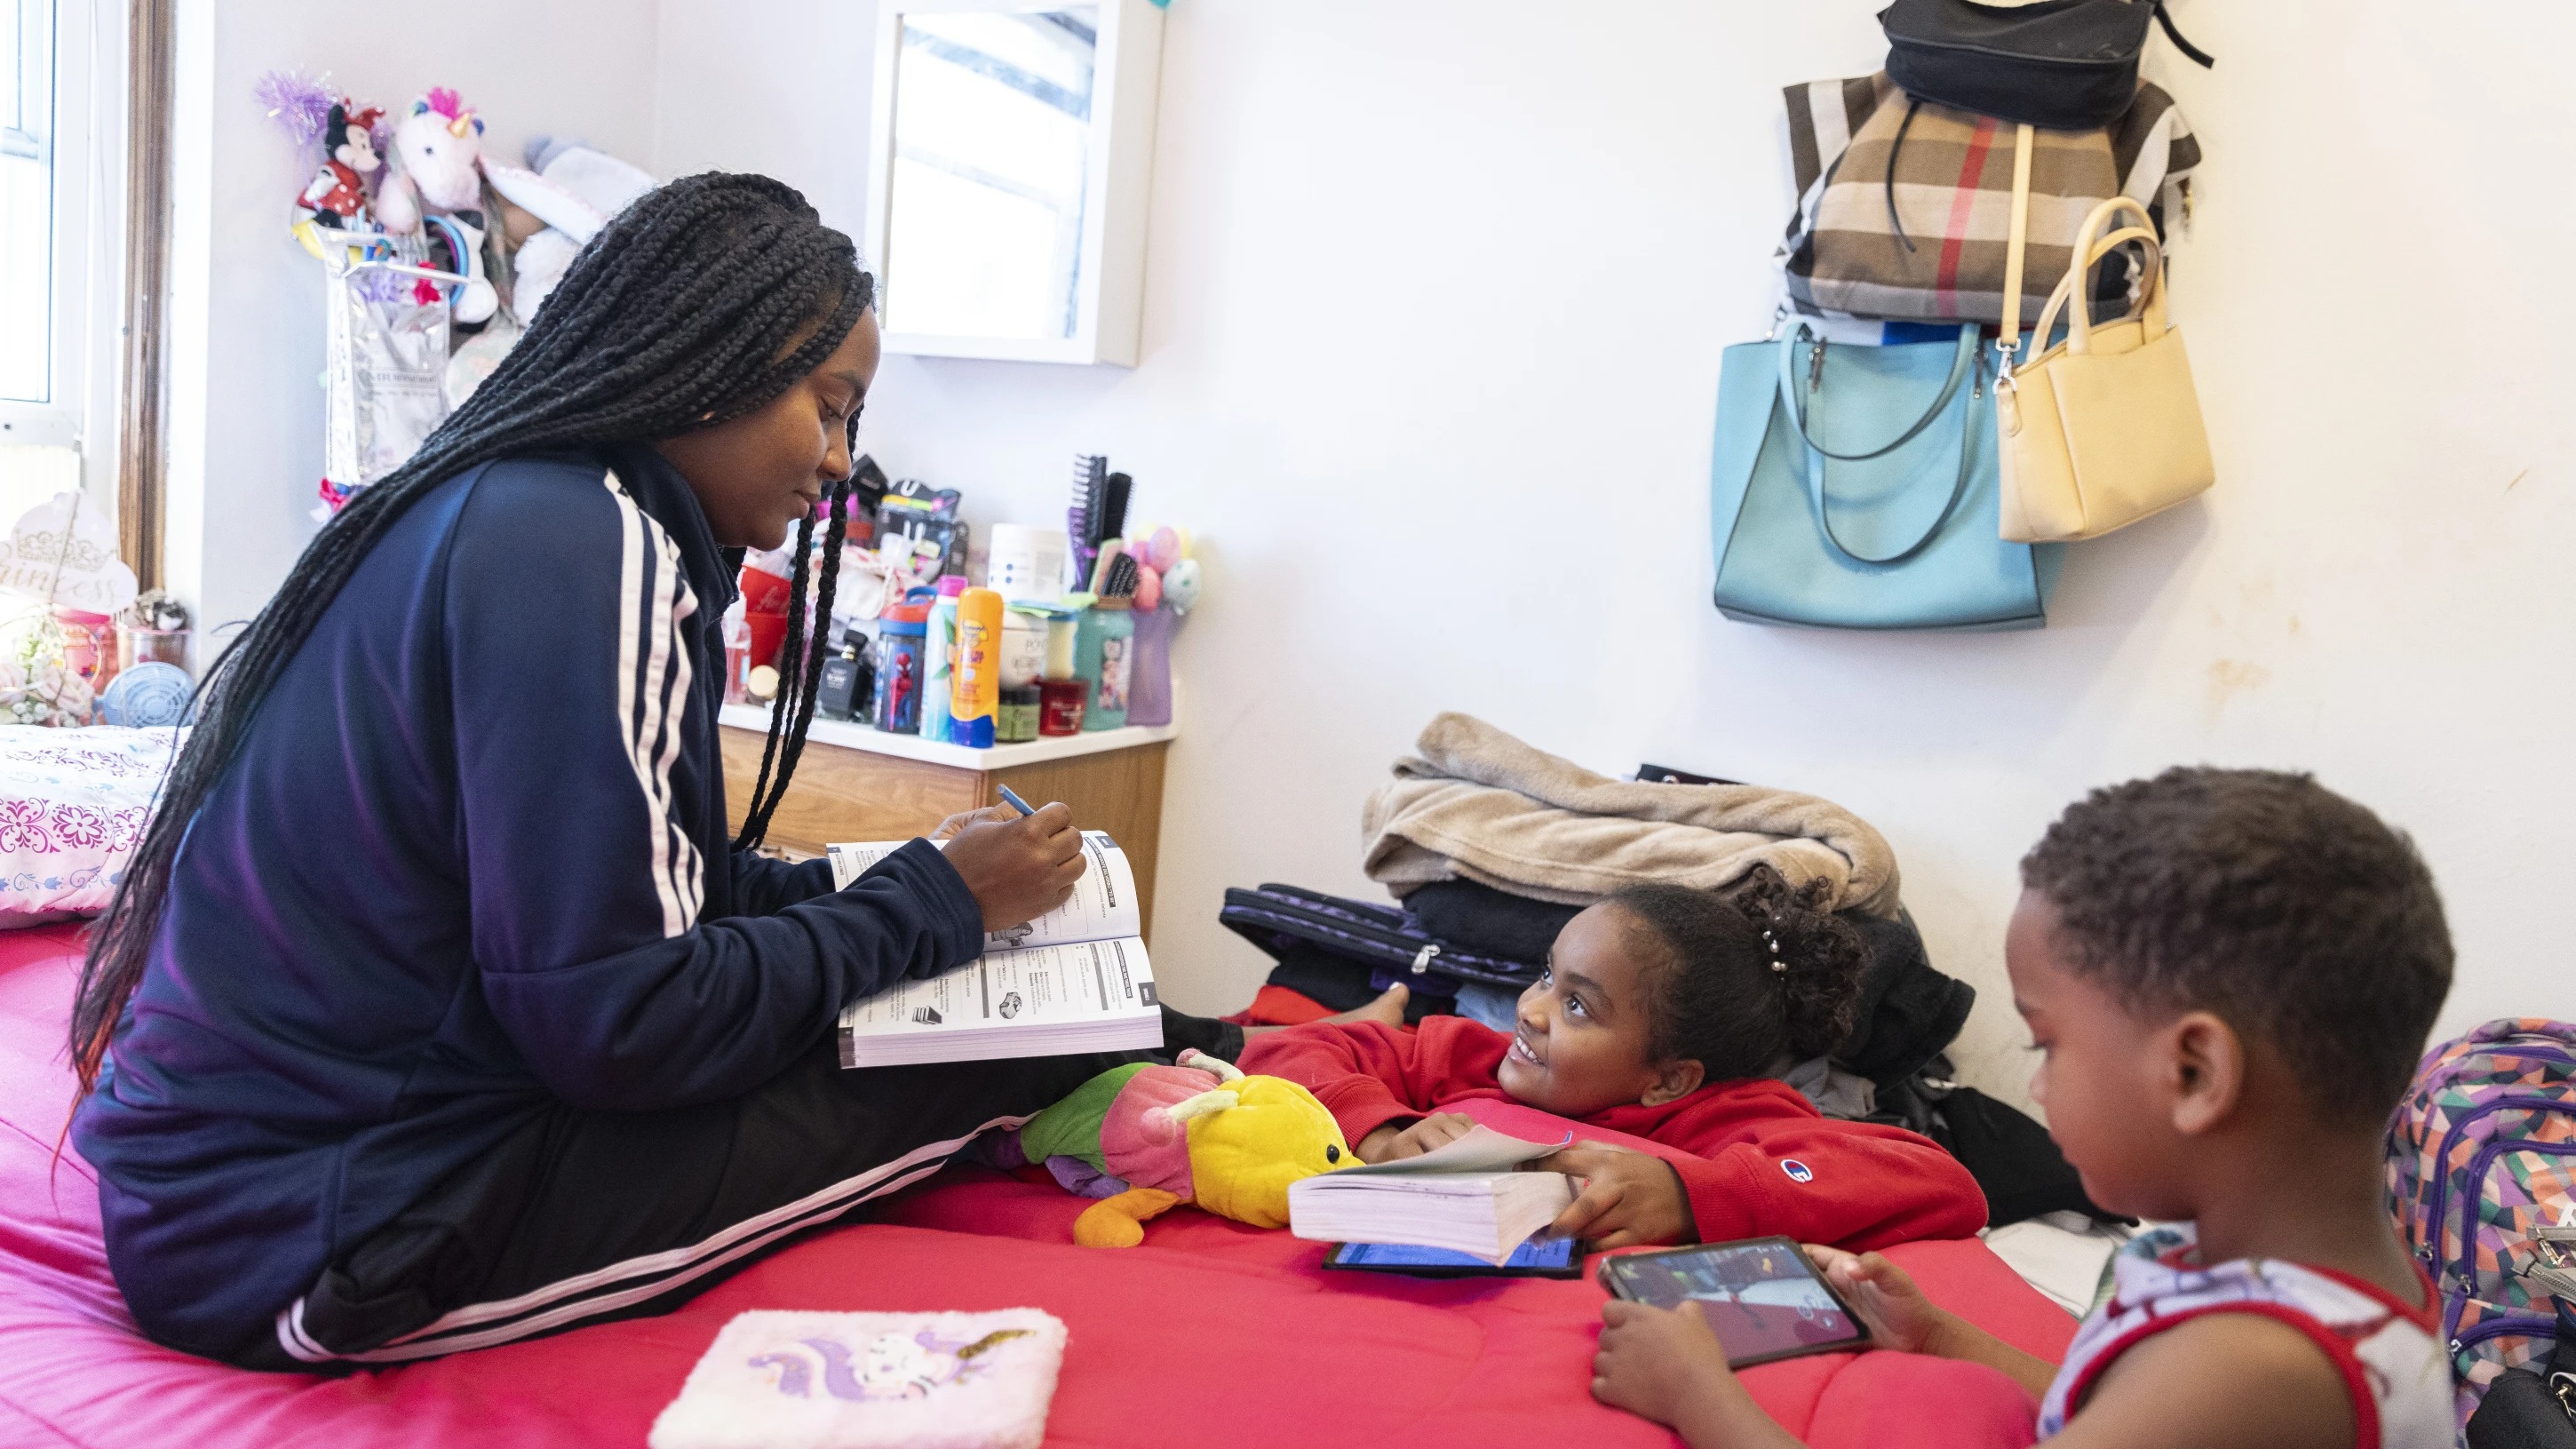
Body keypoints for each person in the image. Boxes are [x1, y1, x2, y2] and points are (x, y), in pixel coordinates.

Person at [66, 174, 1242, 1370]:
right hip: (312, 1239)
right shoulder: (594, 539)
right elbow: (622, 1023)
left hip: (239, 1190)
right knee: (987, 1050)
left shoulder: (522, 507)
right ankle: (1215, 1054)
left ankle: (1203, 1032)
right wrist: (934, 901)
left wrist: (910, 879)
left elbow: (649, 902)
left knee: (928, 977)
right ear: (713, 354)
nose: (839, 463)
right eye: (829, 407)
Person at [1590, 768, 2457, 1449]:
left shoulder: (2256, 1365)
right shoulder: (2287, 1269)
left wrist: (1691, 1390)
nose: (2034, 1085)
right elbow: (2124, 1404)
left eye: (2047, 1043)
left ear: (2193, 1073)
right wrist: (1935, 1333)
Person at [1239, 867, 1988, 1251]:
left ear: (1668, 1078)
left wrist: (1697, 1194)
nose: (1529, 1009)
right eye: (1545, 974)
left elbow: (1941, 1181)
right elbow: (1295, 1046)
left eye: (1576, 1005)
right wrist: (1377, 1128)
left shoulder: (1730, 1122)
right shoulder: (1473, 1057)